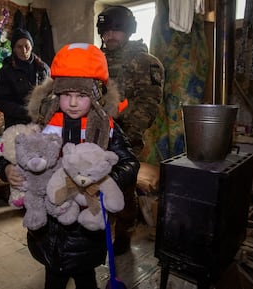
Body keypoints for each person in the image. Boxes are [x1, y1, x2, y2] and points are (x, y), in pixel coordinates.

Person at [0, 43, 140, 289]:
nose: (73, 103)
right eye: (66, 95)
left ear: (95, 94)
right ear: (56, 93)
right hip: (48, 229)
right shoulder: (43, 122)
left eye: (81, 95)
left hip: (85, 228)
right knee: (54, 276)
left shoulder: (108, 128)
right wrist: (6, 170)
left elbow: (129, 162)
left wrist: (103, 182)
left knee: (85, 277)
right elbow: (13, 150)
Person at [96, 5, 165, 255]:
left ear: (128, 31)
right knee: (91, 186)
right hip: (95, 137)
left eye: (116, 30)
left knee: (123, 189)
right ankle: (93, 232)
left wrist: (123, 138)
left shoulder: (146, 62)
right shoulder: (96, 61)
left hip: (124, 140)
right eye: (106, 31)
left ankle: (123, 235)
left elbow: (148, 105)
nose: (110, 35)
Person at [0, 28, 50, 129]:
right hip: (17, 124)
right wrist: (26, 112)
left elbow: (51, 94)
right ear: (14, 49)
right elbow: (1, 101)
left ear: (31, 47)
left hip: (42, 123)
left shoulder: (43, 68)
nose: (24, 50)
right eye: (19, 47)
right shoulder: (5, 72)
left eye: (26, 46)